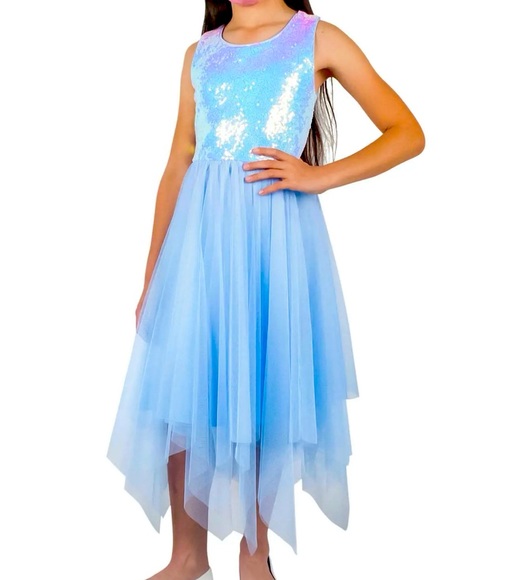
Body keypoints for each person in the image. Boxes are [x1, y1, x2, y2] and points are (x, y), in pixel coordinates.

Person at [107, 1, 425, 579]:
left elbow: (406, 133)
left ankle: (255, 560)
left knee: (262, 385)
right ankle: (187, 558)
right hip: (198, 246)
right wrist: (153, 271)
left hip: (272, 244)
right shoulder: (201, 53)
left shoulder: (316, 39)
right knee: (187, 386)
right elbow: (179, 159)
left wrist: (316, 176)